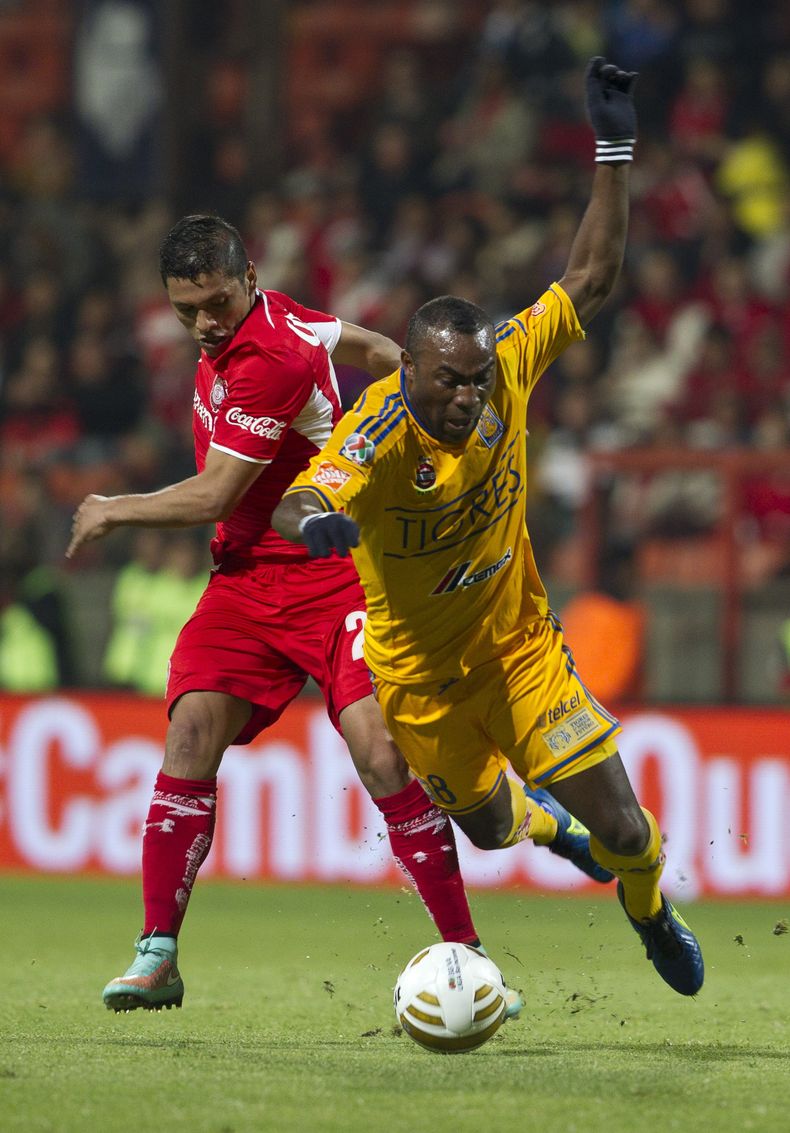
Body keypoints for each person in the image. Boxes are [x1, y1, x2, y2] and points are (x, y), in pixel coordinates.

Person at [67, 213, 606, 1012]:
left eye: (215, 302)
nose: (203, 324)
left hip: (329, 570)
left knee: (381, 751)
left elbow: (217, 491)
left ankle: (468, 953)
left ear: (247, 277)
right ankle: (157, 955)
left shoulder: (271, 356)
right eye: (186, 311)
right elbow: (380, 350)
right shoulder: (284, 317)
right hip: (245, 580)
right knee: (188, 733)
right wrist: (401, 401)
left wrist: (115, 507)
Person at [273, 58, 704, 997]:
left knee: (629, 828)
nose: (470, 395)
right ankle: (551, 828)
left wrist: (615, 150)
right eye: (450, 381)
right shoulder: (376, 431)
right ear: (410, 373)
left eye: (476, 379)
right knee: (492, 827)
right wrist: (316, 524)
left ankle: (650, 910)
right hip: (420, 681)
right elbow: (306, 495)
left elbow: (587, 278)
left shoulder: (507, 365)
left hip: (518, 650)